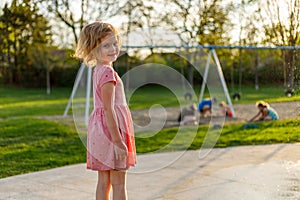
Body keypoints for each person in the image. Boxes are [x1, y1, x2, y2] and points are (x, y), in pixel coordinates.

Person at [74, 21, 136, 200]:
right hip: (112, 131)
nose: (113, 48)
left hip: (100, 131)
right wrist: (118, 141)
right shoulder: (108, 73)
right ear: (93, 50)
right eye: (106, 45)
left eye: (114, 43)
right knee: (118, 183)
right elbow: (109, 109)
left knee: (103, 182)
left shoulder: (98, 70)